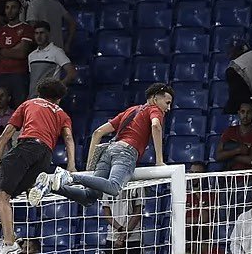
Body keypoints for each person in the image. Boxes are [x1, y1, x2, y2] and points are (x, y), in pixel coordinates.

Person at [0, 77, 75, 254]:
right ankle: (34, 188)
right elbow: (68, 138)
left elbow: (5, 135)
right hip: (45, 156)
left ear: (39, 92)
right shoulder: (62, 113)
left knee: (1, 196)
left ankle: (9, 243)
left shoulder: (29, 104)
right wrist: (71, 166)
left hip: (26, 148)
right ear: (58, 99)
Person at [38, 83, 173, 207]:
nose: (168, 108)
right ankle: (70, 176)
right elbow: (155, 126)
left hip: (109, 151)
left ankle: (51, 186)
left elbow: (98, 132)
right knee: (114, 187)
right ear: (155, 99)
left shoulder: (130, 111)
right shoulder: (155, 110)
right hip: (125, 152)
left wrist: (89, 165)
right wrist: (159, 161)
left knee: (89, 197)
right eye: (167, 103)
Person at [0, 0, 34, 106]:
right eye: (7, 7)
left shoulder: (26, 28)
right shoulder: (0, 31)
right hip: (0, 75)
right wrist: (13, 50)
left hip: (18, 74)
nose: (9, 10)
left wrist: (0, 50)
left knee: (19, 109)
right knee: (1, 109)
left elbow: (22, 53)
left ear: (20, 10)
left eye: (13, 7)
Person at [217, 101, 252, 170]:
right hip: (230, 177)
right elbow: (218, 156)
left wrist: (229, 155)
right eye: (243, 112)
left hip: (250, 177)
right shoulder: (230, 131)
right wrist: (238, 150)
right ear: (239, 113)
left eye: (248, 112)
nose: (245, 115)